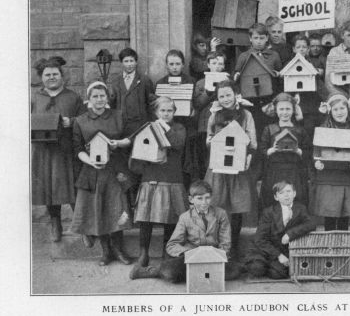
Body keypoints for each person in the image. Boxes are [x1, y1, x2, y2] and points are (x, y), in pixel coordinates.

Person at [70, 82, 133, 266]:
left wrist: (118, 143)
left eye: (102, 96)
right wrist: (90, 161)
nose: (99, 100)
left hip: (115, 170)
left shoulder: (118, 116)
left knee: (117, 208)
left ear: (107, 98)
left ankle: (118, 249)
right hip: (93, 171)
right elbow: (77, 148)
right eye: (95, 96)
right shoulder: (81, 121)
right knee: (99, 209)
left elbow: (130, 139)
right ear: (89, 99)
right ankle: (106, 251)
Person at [129, 180, 241, 281]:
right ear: (191, 200)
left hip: (213, 256)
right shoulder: (185, 217)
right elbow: (172, 245)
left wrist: (218, 255)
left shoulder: (221, 214)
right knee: (170, 272)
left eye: (207, 198)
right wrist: (187, 252)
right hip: (190, 257)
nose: (204, 202)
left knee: (234, 272)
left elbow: (225, 242)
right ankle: (147, 271)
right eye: (199, 198)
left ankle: (195, 275)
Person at [31, 56, 86, 242]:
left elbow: (85, 120)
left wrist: (71, 122)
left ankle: (82, 226)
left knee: (73, 186)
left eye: (55, 74)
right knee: (48, 187)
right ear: (41, 77)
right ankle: (55, 222)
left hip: (66, 150)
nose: (52, 77)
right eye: (47, 74)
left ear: (61, 76)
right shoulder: (36, 98)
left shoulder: (72, 97)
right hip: (43, 151)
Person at [132, 97, 189, 267]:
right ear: (156, 112)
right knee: (145, 218)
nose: (166, 114)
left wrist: (165, 127)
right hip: (151, 176)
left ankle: (167, 251)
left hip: (172, 177)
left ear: (174, 112)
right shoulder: (149, 128)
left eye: (169, 111)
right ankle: (144, 253)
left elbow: (178, 144)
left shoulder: (179, 128)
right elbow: (138, 146)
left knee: (171, 217)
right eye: (162, 111)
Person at [204, 80, 257, 258]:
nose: (226, 99)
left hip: (238, 168)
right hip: (219, 168)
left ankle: (233, 246)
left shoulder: (246, 115)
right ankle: (218, 244)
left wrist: (249, 154)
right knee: (218, 205)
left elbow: (252, 140)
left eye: (228, 95)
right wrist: (211, 141)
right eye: (222, 96)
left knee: (237, 207)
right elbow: (209, 137)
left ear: (236, 94)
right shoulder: (214, 115)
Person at [310, 94, 350, 231]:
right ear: (330, 112)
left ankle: (342, 246)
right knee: (329, 217)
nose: (339, 112)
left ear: (348, 109)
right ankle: (329, 247)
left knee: (343, 217)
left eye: (342, 108)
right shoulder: (324, 128)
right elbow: (317, 149)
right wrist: (317, 161)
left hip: (346, 177)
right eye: (335, 109)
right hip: (328, 178)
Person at [245, 181, 316, 279]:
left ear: (294, 194)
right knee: (256, 268)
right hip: (265, 250)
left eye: (288, 191)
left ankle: (273, 266)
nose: (286, 195)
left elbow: (311, 224)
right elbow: (260, 240)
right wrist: (279, 255)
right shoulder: (269, 212)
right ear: (276, 197)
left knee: (278, 274)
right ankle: (262, 263)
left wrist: (290, 234)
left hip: (283, 249)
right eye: (281, 193)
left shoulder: (300, 209)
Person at [233, 22, 282, 149]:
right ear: (250, 39)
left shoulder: (274, 56)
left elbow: (279, 77)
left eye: (261, 38)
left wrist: (278, 74)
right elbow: (238, 77)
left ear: (267, 38)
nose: (259, 41)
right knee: (252, 131)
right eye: (255, 38)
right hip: (250, 101)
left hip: (268, 100)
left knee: (268, 132)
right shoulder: (244, 56)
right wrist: (236, 76)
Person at [155, 50, 200, 186]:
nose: (174, 67)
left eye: (178, 64)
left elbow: (197, 104)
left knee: (188, 160)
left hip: (187, 125)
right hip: (167, 127)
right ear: (167, 65)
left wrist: (194, 111)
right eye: (171, 64)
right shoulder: (160, 83)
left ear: (183, 65)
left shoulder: (191, 81)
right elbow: (157, 107)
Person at [259, 93, 310, 210]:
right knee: (273, 201)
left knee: (296, 202)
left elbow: (308, 150)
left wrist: (299, 151)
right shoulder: (269, 129)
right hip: (274, 172)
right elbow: (261, 149)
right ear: (276, 110)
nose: (285, 112)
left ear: (293, 110)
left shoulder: (300, 130)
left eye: (288, 109)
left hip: (294, 172)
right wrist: (270, 151)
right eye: (281, 109)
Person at [193, 52, 228, 172]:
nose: (217, 66)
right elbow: (197, 104)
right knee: (206, 156)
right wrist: (207, 93)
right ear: (208, 64)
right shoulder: (200, 83)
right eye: (214, 63)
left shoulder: (227, 81)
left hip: (223, 123)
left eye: (220, 63)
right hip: (205, 125)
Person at [108, 47, 155, 136]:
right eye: (126, 61)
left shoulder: (144, 80)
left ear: (136, 62)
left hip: (140, 125)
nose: (129, 64)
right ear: (121, 63)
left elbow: (151, 103)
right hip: (122, 126)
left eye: (131, 61)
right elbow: (112, 104)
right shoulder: (116, 81)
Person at [290, 34, 327, 138]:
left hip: (310, 105)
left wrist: (326, 98)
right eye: (298, 47)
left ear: (307, 49)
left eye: (304, 47)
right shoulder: (289, 64)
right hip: (296, 104)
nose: (301, 50)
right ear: (293, 49)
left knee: (309, 131)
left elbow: (319, 84)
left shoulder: (311, 64)